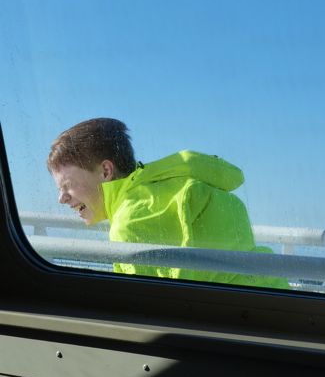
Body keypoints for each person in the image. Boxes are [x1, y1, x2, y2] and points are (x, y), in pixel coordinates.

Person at [48, 118, 289, 289]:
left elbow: (149, 309)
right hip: (270, 294)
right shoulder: (167, 186)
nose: (62, 198)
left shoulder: (130, 224)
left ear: (106, 171)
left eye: (67, 185)